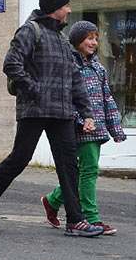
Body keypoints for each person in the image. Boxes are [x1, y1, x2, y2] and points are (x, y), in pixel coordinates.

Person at [0, 0, 105, 238]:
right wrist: (34, 89)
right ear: (54, 8)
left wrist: (86, 112)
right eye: (66, 6)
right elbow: (11, 64)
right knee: (19, 159)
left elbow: (75, 79)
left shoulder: (61, 39)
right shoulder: (30, 30)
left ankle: (76, 220)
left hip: (62, 112)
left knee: (69, 166)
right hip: (35, 109)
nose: (69, 10)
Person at [41, 21, 126, 235]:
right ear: (77, 41)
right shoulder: (69, 64)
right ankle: (91, 217)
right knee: (90, 170)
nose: (94, 43)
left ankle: (53, 200)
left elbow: (107, 99)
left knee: (80, 172)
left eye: (96, 39)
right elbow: (67, 97)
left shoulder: (98, 67)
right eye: (89, 38)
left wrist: (115, 129)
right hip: (79, 127)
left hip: (97, 129)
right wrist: (81, 120)